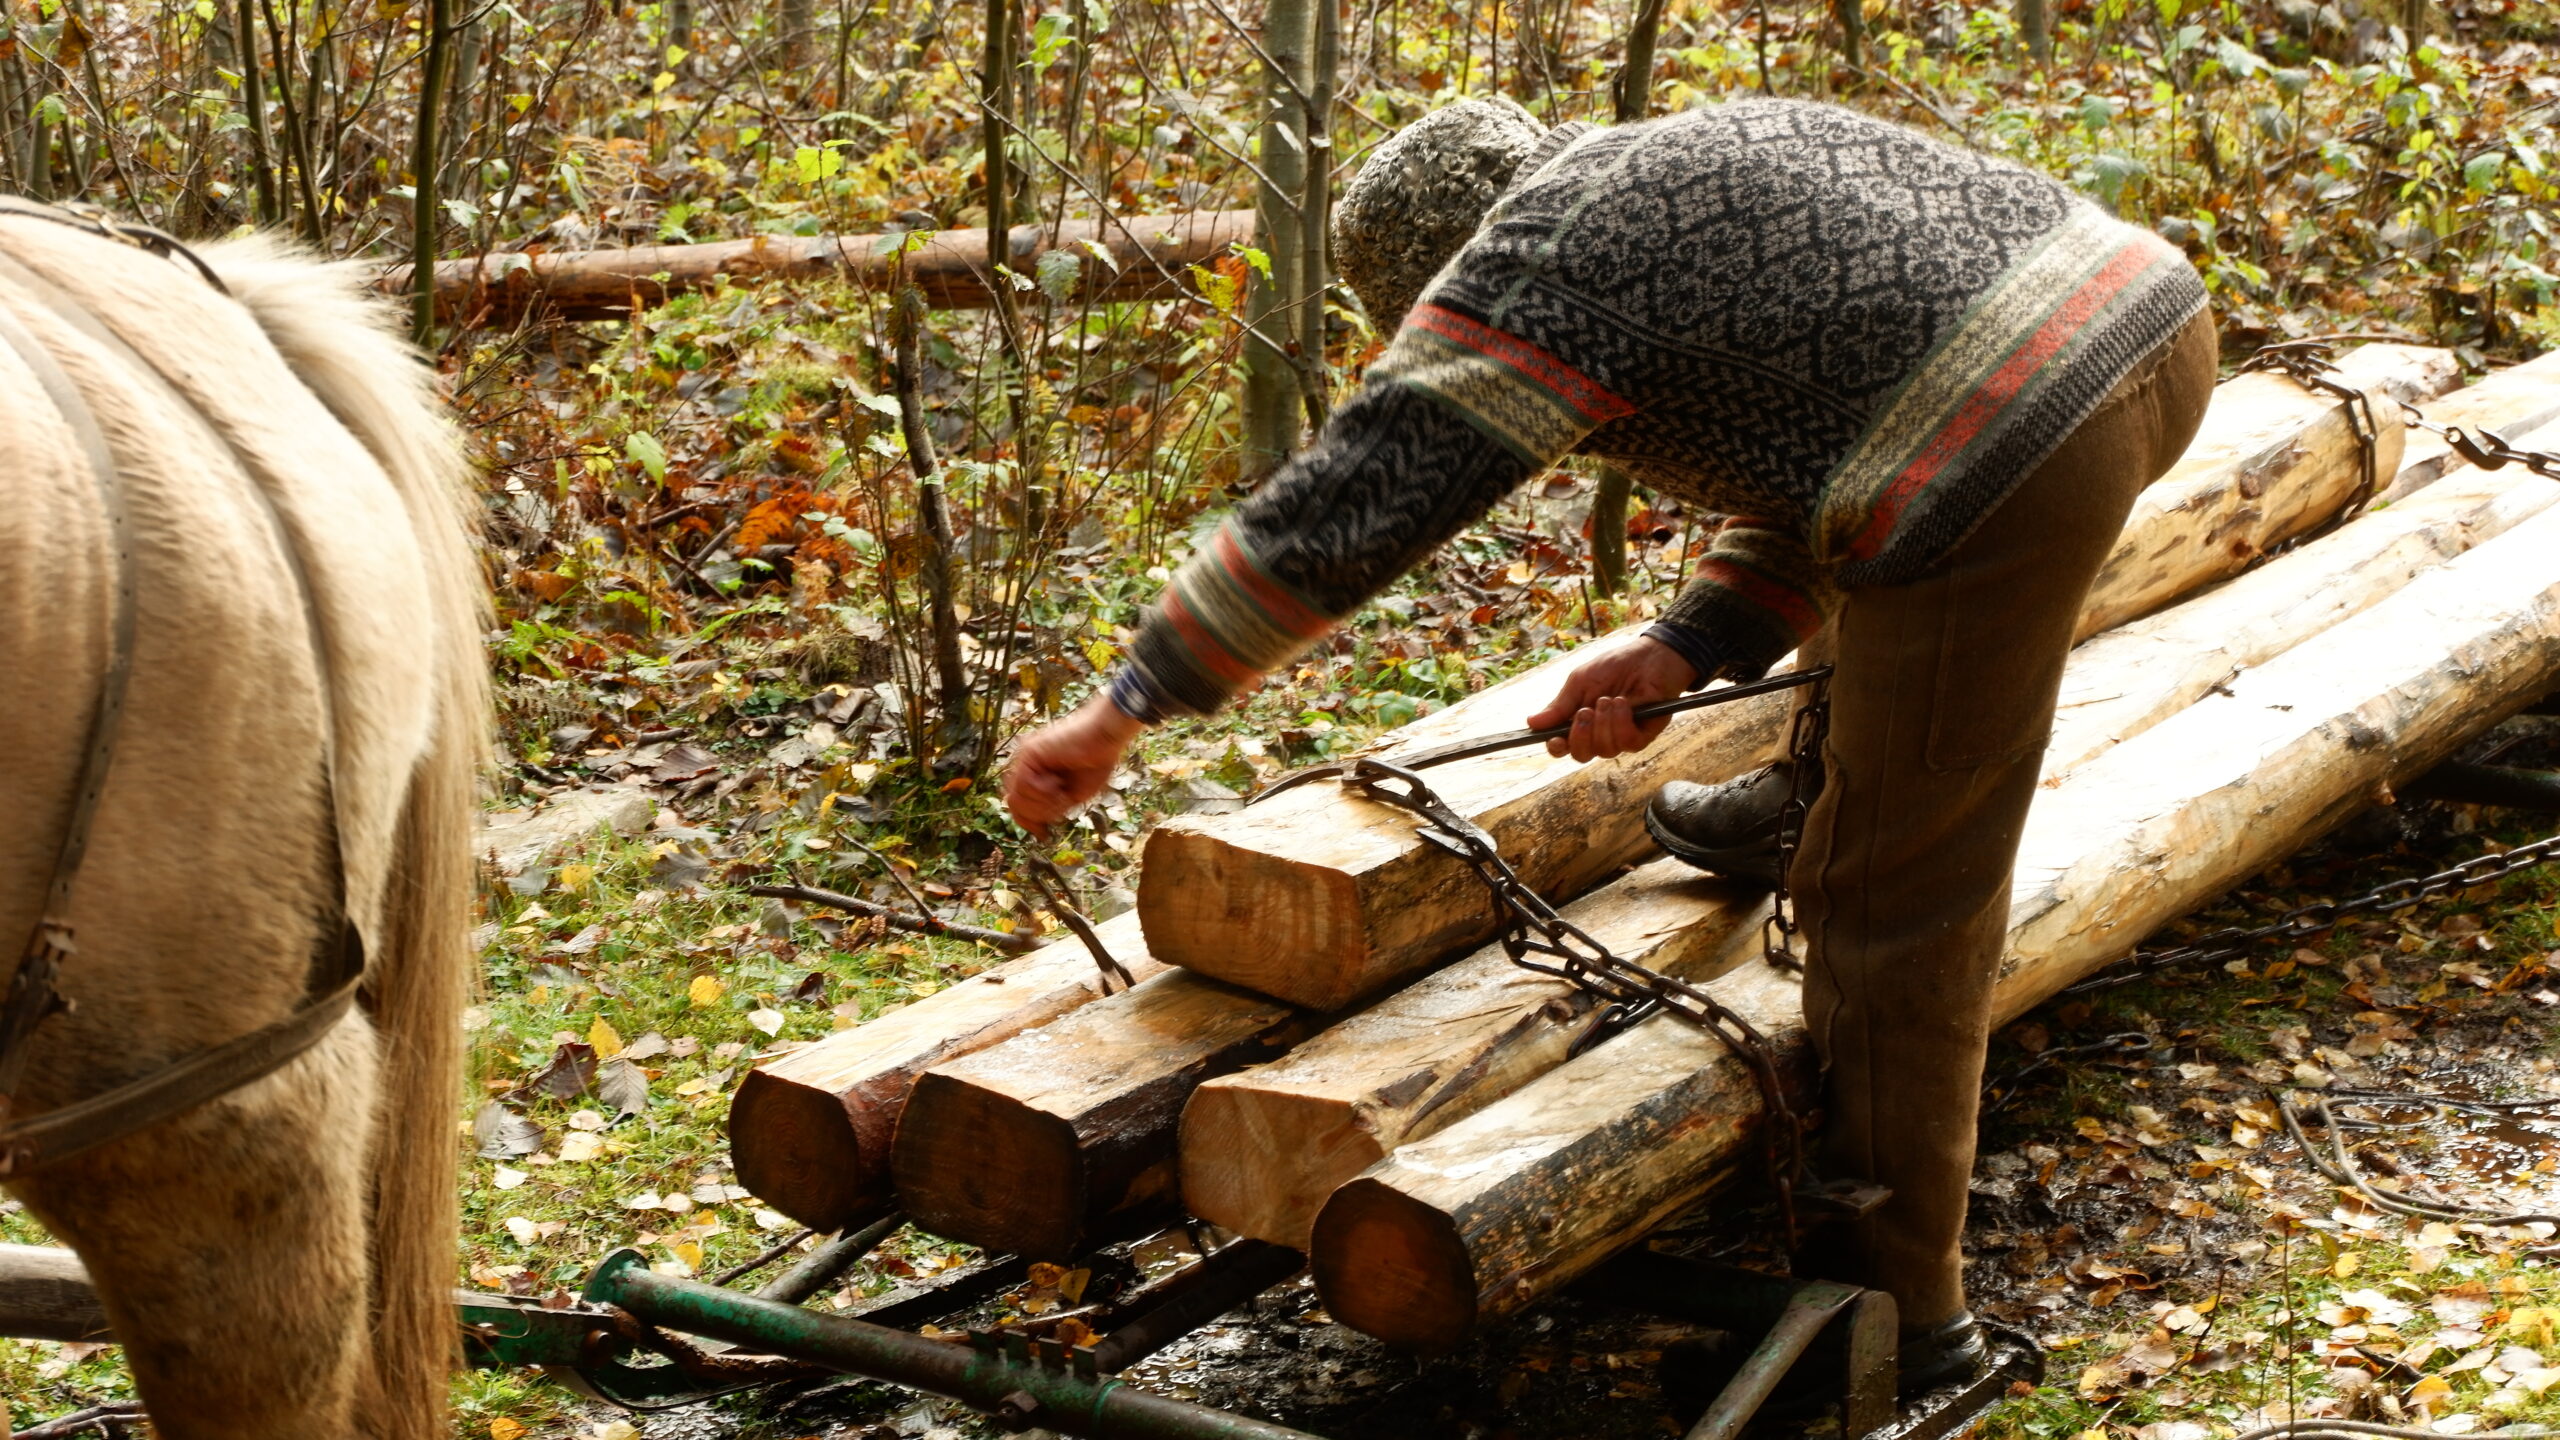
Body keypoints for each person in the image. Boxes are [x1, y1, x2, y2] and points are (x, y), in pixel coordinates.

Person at [1002, 94, 2215, 1385]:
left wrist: (1128, 698)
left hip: (2030, 437)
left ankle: (1905, 1315)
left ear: (1445, 271)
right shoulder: (1665, 172)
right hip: (2148, 322)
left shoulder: (1542, 264)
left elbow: (1362, 493)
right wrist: (1694, 640)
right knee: (1902, 561)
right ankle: (1809, 788)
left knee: (1897, 900)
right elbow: (1849, 432)